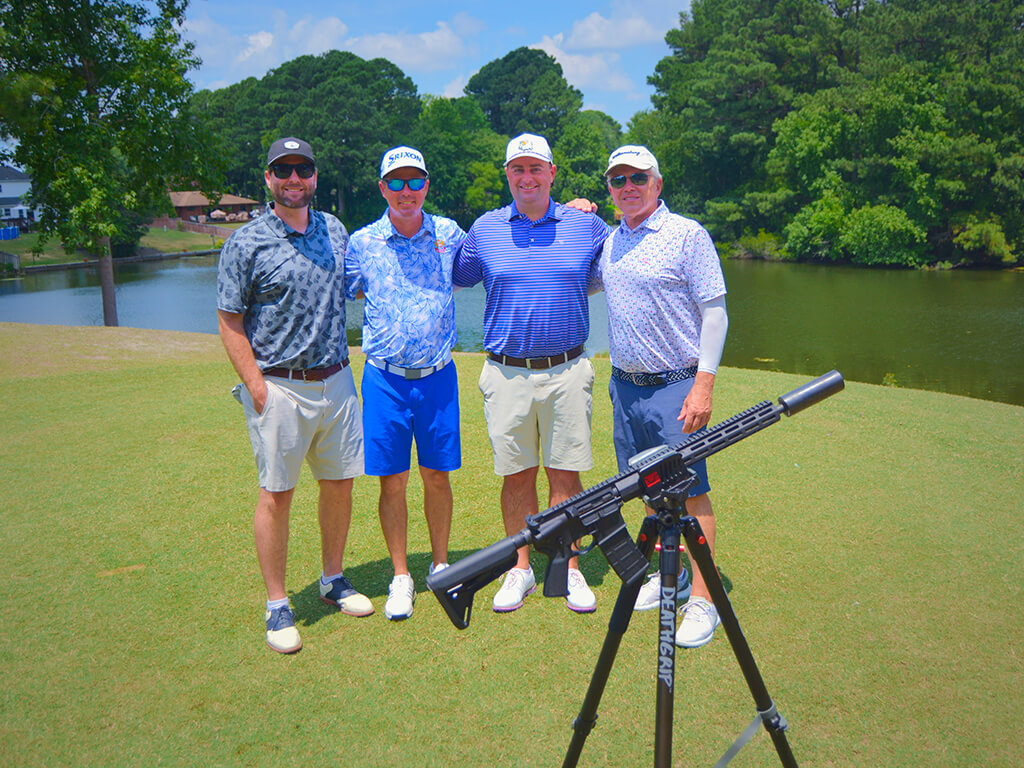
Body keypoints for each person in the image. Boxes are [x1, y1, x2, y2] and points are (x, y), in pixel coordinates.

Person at [217, 136, 373, 654]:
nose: (293, 179)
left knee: (339, 485)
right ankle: (277, 605)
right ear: (268, 178)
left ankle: (333, 579)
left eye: (302, 169)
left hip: (336, 380)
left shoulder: (333, 229)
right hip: (279, 386)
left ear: (313, 176)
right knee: (276, 496)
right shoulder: (246, 241)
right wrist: (257, 387)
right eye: (282, 170)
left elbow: (365, 276)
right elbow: (229, 318)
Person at [453, 133, 609, 614]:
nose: (527, 177)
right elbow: (457, 276)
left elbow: (623, 262)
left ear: (552, 174)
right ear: (507, 175)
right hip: (506, 373)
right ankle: (520, 568)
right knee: (517, 476)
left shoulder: (586, 225)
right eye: (517, 169)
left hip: (567, 368)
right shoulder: (484, 229)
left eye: (535, 168)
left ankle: (571, 566)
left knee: (566, 474)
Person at [596, 145, 729, 648]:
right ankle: (667, 576)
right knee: (649, 488)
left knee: (691, 493)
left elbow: (715, 314)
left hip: (677, 384)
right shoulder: (611, 242)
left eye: (637, 177)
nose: (628, 186)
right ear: (610, 190)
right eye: (618, 180)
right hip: (626, 387)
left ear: (656, 182)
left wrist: (704, 382)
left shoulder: (686, 234)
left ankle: (702, 600)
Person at [344, 146, 465, 621]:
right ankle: (400, 576)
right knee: (391, 482)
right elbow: (339, 288)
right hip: (384, 381)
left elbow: (502, 246)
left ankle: (441, 565)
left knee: (438, 476)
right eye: (396, 182)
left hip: (437, 378)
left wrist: (575, 213)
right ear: (382, 188)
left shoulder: (450, 234)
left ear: (427, 186)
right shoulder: (363, 242)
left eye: (415, 181)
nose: (406, 191)